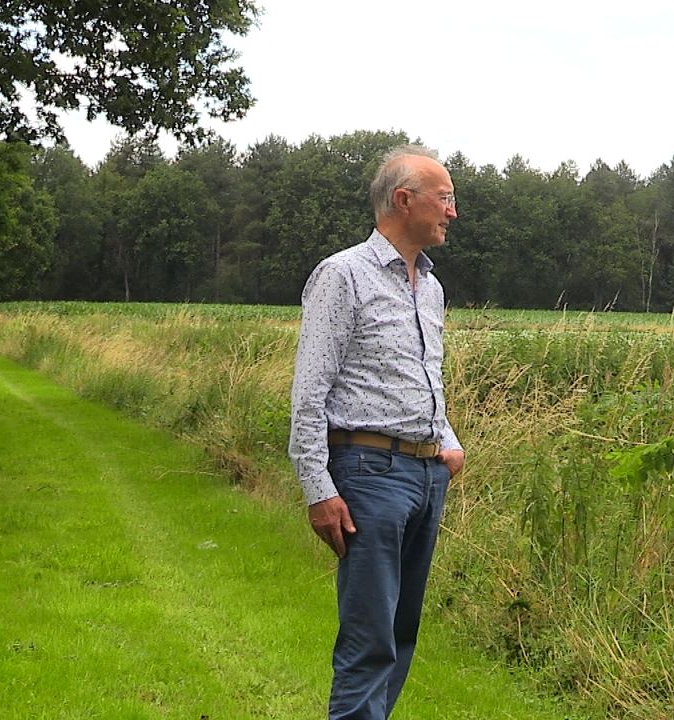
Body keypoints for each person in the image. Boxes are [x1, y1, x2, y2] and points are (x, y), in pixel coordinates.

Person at [288, 144, 466, 720]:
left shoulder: (431, 287)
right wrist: (319, 488)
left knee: (401, 632)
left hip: (425, 474)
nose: (452, 212)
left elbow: (417, 374)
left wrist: (447, 441)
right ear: (403, 199)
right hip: (368, 476)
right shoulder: (343, 275)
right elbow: (310, 391)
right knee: (369, 639)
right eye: (444, 198)